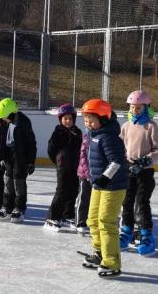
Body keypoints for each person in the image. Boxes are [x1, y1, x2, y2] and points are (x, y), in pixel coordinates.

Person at [79, 99, 128, 279]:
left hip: (113, 186)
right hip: (99, 184)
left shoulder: (109, 137)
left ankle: (112, 262)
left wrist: (104, 178)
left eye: (91, 120)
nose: (87, 124)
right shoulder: (94, 134)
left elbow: (117, 162)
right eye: (85, 120)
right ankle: (100, 253)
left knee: (106, 222)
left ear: (104, 118)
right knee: (92, 219)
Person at [119, 90, 158, 255]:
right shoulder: (126, 126)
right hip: (128, 171)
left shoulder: (151, 126)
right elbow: (120, 147)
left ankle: (146, 236)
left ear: (146, 108)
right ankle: (126, 232)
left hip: (145, 173)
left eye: (138, 108)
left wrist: (145, 161)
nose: (134, 111)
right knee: (126, 202)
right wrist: (123, 161)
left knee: (141, 203)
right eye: (132, 108)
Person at [0, 98, 36, 223]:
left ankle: (19, 208)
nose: (3, 120)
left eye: (5, 117)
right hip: (8, 156)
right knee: (8, 182)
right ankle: (7, 207)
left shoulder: (23, 122)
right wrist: (1, 158)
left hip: (20, 157)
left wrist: (31, 161)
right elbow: (2, 141)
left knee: (19, 183)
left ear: (11, 113)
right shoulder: (6, 123)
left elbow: (31, 142)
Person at [44, 103, 83, 232]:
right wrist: (58, 161)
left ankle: (67, 215)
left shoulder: (77, 132)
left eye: (70, 119)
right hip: (63, 167)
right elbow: (51, 149)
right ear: (61, 119)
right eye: (65, 119)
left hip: (75, 167)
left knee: (73, 190)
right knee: (62, 191)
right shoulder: (58, 133)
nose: (68, 121)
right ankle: (52, 218)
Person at [75, 121, 92, 236]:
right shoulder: (87, 135)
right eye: (86, 121)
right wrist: (87, 172)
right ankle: (80, 222)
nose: (88, 123)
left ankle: (90, 221)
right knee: (83, 197)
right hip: (85, 174)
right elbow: (82, 155)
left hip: (96, 174)